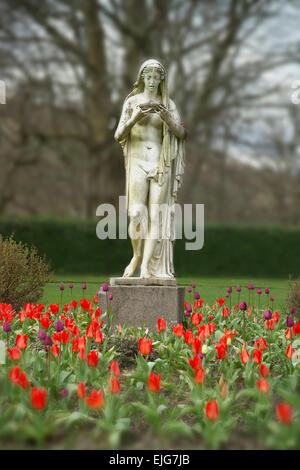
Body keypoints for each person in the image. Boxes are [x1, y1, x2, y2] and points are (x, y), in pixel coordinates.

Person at [114, 59, 186, 279]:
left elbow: (182, 134)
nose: (153, 81)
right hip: (137, 162)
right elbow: (118, 135)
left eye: (157, 77)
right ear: (142, 77)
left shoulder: (168, 104)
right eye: (149, 76)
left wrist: (167, 119)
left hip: (159, 163)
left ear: (161, 79)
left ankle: (146, 266)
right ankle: (136, 255)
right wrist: (134, 118)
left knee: (157, 215)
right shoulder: (132, 103)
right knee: (136, 214)